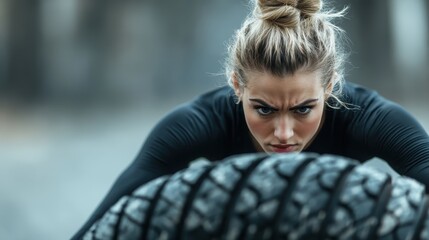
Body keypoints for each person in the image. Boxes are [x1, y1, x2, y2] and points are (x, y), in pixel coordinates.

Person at [72, 0, 429, 238]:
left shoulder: (369, 117)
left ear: (331, 86)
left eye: (304, 108)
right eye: (264, 109)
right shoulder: (198, 123)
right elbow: (100, 227)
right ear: (236, 86)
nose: (284, 133)